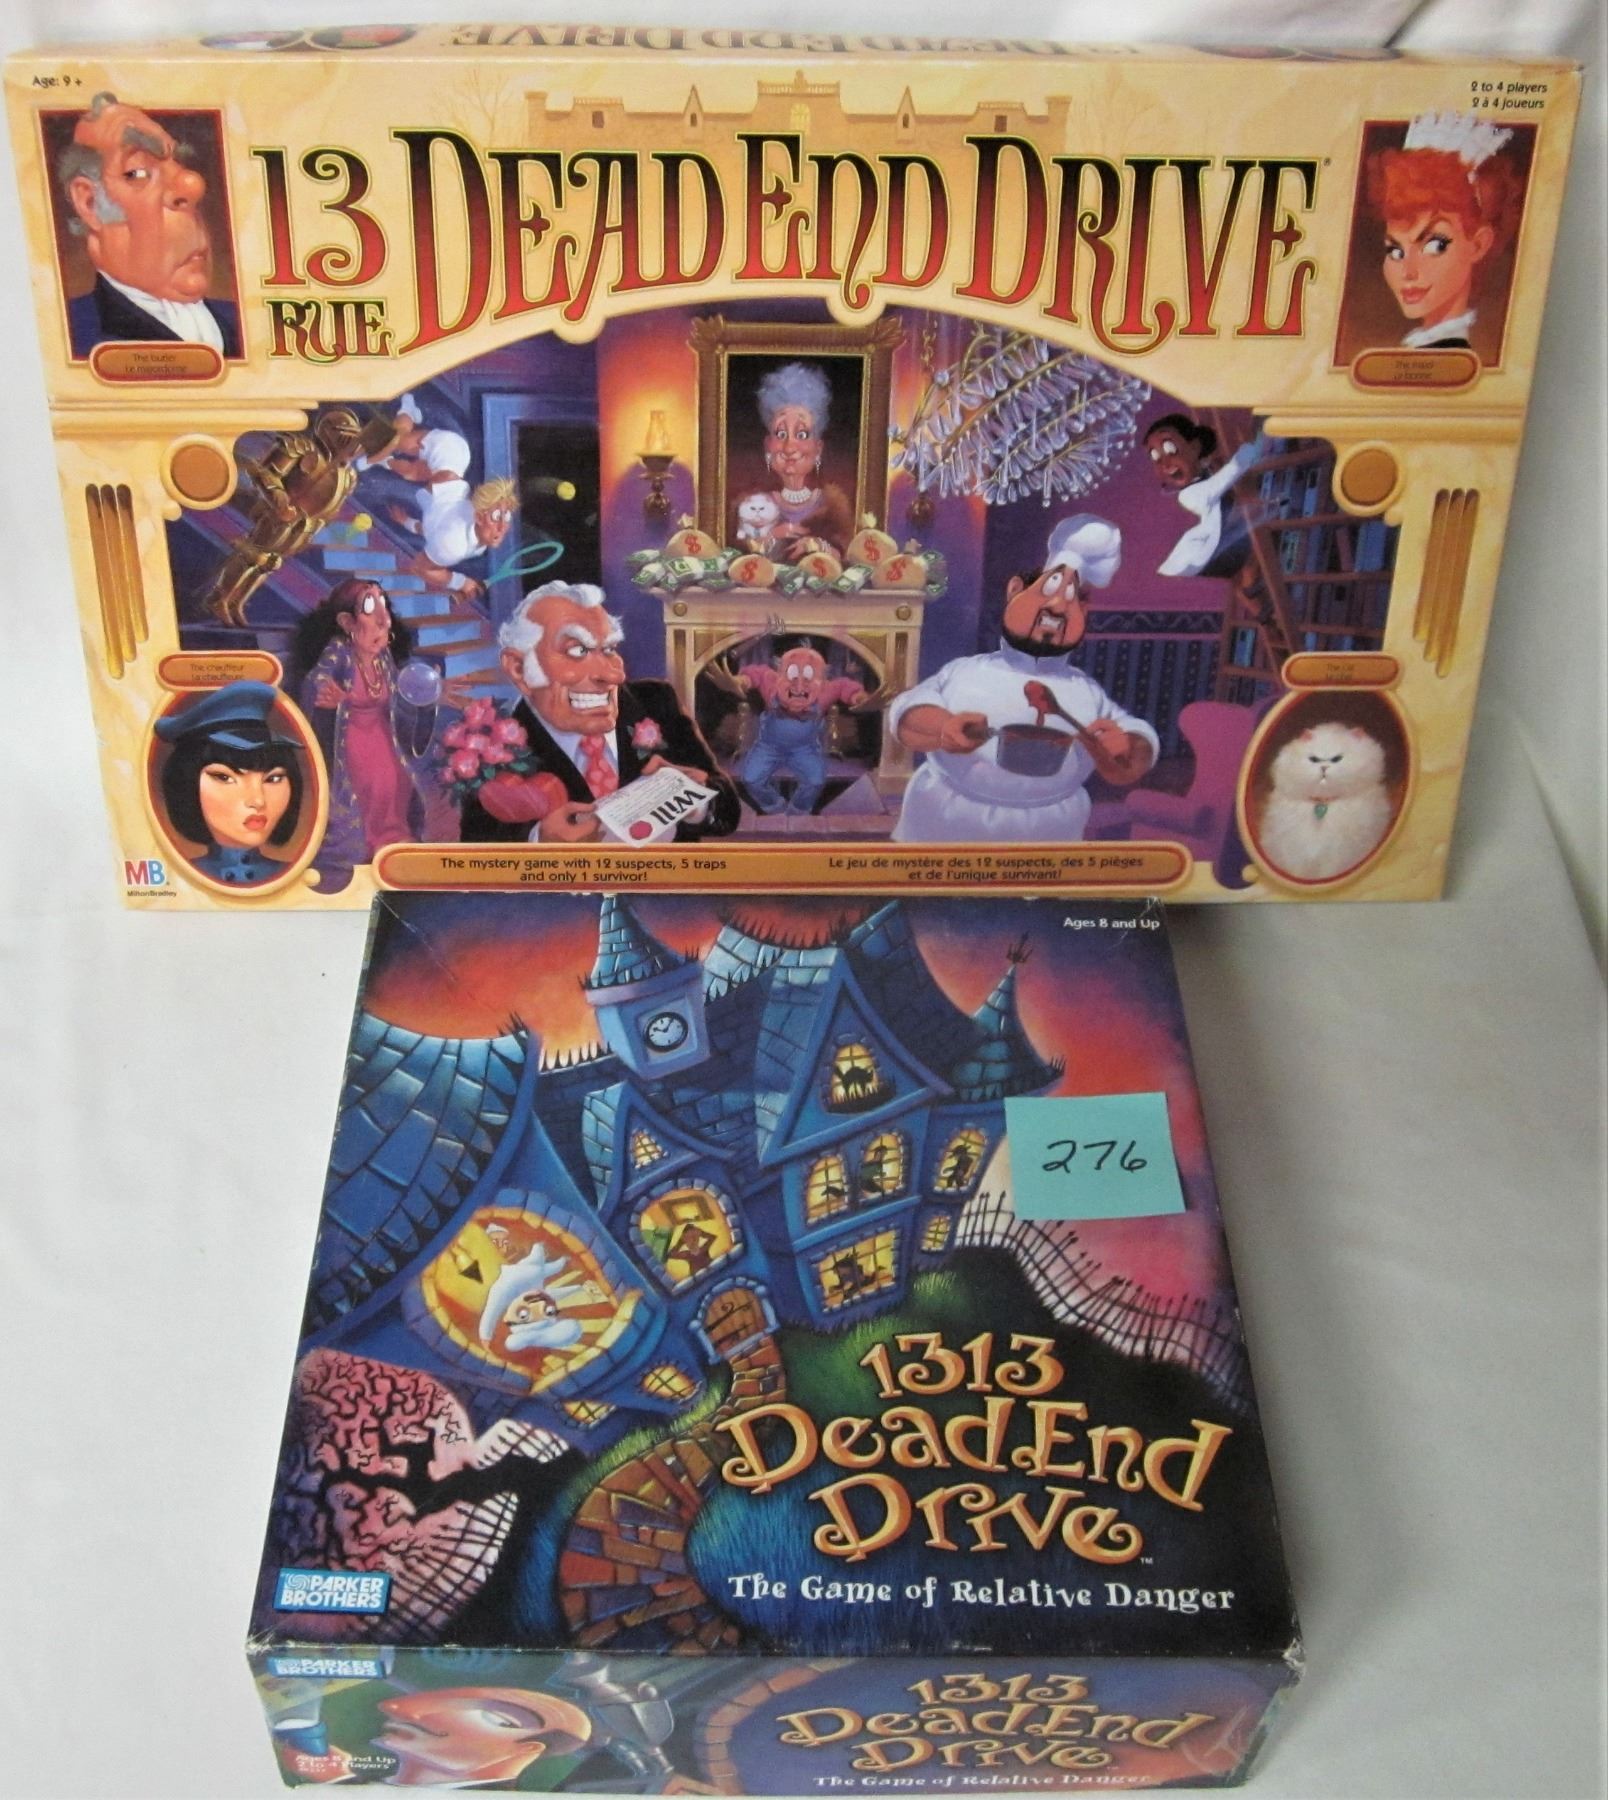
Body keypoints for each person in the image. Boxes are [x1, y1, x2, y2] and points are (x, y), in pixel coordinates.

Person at [889, 515, 1157, 844]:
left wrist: (1126, 747)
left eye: (1074, 597)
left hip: (1050, 834)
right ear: (1015, 589)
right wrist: (944, 728)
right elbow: (908, 712)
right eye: (1050, 587)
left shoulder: (1088, 692)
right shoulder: (965, 672)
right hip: (946, 825)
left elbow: (1134, 748)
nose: (1058, 606)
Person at [458, 581, 739, 844]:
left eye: (609, 648)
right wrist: (539, 841)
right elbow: (474, 851)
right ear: (519, 669)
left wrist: (695, 802)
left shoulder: (655, 701)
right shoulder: (488, 748)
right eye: (577, 650)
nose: (614, 675)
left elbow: (727, 812)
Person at [56, 92, 240, 358]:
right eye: (138, 172)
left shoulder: (240, 320)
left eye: (181, 165)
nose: (192, 184)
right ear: (89, 203)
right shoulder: (70, 334)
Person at [294, 579, 435, 863]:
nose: (384, 620)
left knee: (399, 779)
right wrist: (329, 693)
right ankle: (369, 843)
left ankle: (395, 837)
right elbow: (316, 679)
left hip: (382, 731)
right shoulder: (339, 650)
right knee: (374, 782)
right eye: (370, 608)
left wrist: (432, 691)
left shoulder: (383, 657)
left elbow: (400, 693)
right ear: (347, 622)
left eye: (384, 605)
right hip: (350, 734)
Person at [1365, 111, 1522, 350]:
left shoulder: (1454, 353)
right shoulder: (1420, 348)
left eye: (1435, 245)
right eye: (1395, 251)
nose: (1408, 272)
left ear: (1478, 244)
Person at [154, 681, 304, 886]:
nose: (258, 801)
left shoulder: (295, 878)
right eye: (225, 778)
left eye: (273, 778)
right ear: (187, 783)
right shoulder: (178, 880)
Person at [705, 638, 874, 815]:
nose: (798, 685)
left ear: (822, 679)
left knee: (816, 780)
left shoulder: (828, 689)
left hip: (804, 749)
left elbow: (849, 689)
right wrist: (737, 682)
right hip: (768, 747)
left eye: (808, 677)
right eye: (792, 674)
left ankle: (798, 811)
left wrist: (863, 700)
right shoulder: (770, 681)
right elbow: (752, 676)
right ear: (779, 674)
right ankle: (775, 807)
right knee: (751, 779)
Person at [738, 361, 853, 561]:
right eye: (781, 434)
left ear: (818, 448)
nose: (790, 448)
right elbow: (740, 559)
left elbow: (847, 557)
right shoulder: (752, 505)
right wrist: (772, 536)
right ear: (768, 446)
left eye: (802, 434)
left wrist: (818, 546)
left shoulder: (834, 507)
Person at [1144, 415, 1266, 580]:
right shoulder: (1189, 496)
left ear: (1195, 447)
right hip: (1217, 554)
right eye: (1155, 458)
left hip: (1225, 547)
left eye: (1170, 449)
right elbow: (1231, 472)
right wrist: (1255, 444)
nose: (1165, 464)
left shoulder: (1205, 474)